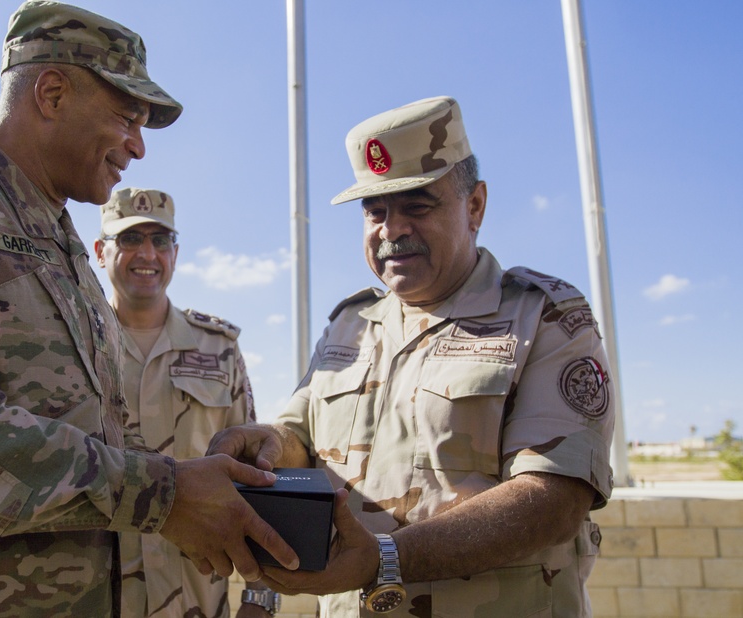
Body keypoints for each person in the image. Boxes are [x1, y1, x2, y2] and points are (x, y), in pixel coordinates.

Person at [0, 3, 297, 616]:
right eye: (127, 117)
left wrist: (197, 481)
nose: (138, 147)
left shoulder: (63, 245)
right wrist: (165, 493)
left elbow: (80, 438)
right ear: (52, 92)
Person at [210, 96, 615, 617]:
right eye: (375, 211)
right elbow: (302, 444)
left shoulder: (546, 317)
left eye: (417, 206)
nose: (391, 229)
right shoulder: (350, 324)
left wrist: (382, 559)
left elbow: (553, 500)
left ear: (475, 206)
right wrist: (268, 444)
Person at [93, 187, 257, 618]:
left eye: (160, 240)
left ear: (175, 253)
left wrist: (262, 597)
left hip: (199, 597)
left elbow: (259, 474)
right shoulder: (75, 347)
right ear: (100, 251)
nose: (147, 253)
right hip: (103, 597)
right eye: (130, 239)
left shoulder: (217, 347)